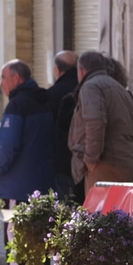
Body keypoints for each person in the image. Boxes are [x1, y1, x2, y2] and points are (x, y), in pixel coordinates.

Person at [0, 59, 57, 265]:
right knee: (40, 242)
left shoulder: (17, 105)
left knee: (15, 243)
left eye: (3, 78)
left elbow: (7, 148)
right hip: (44, 187)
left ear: (17, 78)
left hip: (17, 189)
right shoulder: (47, 101)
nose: (1, 84)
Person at [68, 51, 133, 200]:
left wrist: (91, 158)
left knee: (99, 217)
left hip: (104, 165)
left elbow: (95, 122)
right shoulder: (120, 88)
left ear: (81, 71)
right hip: (124, 162)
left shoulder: (90, 86)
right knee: (116, 216)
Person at [48, 51, 81, 196]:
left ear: (57, 70)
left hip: (62, 163)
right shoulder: (84, 88)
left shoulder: (53, 94)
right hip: (84, 162)